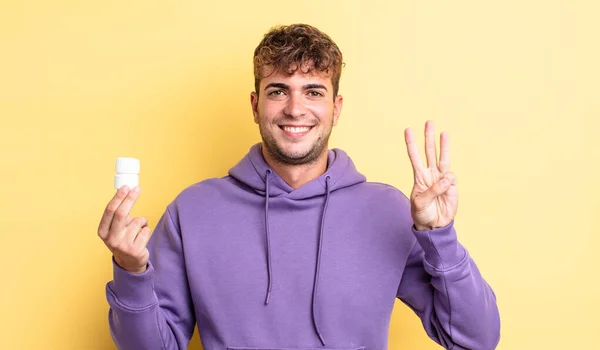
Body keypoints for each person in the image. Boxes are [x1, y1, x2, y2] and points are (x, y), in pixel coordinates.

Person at [98, 24, 501, 350]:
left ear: (335, 108)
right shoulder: (192, 211)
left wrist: (440, 236)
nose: (295, 109)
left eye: (313, 91)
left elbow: (474, 340)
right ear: (255, 105)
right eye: (278, 91)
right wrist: (131, 272)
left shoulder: (388, 210)